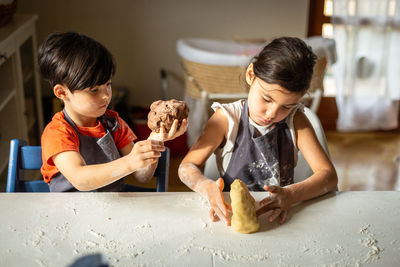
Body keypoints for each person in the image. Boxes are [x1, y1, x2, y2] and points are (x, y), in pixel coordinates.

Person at [178, 37, 338, 226]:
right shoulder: (226, 119)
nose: (272, 114)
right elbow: (186, 167)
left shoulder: (296, 120)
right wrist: (207, 187)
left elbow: (329, 176)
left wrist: (291, 195)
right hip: (231, 216)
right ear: (251, 75)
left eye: (286, 107)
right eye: (267, 99)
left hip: (278, 216)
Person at [39, 32, 187, 192]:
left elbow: (142, 176)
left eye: (108, 84)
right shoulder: (58, 132)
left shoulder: (113, 124)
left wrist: (156, 139)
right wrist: (129, 162)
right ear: (62, 93)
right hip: (71, 212)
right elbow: (80, 179)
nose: (106, 95)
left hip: (113, 209)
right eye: (94, 90)